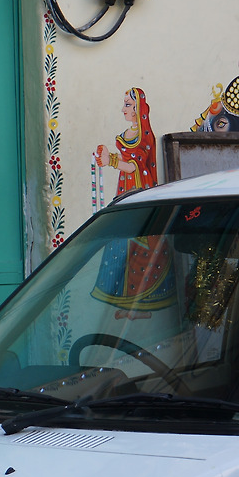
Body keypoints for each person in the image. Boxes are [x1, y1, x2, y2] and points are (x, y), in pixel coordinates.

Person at [92, 88, 173, 318]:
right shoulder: (127, 134)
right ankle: (128, 306)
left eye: (127, 104)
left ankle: (142, 306)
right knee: (124, 246)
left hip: (139, 192)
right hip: (125, 190)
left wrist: (111, 161)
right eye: (125, 104)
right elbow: (126, 161)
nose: (123, 109)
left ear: (138, 108)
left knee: (141, 246)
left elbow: (134, 166)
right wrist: (109, 158)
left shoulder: (145, 136)